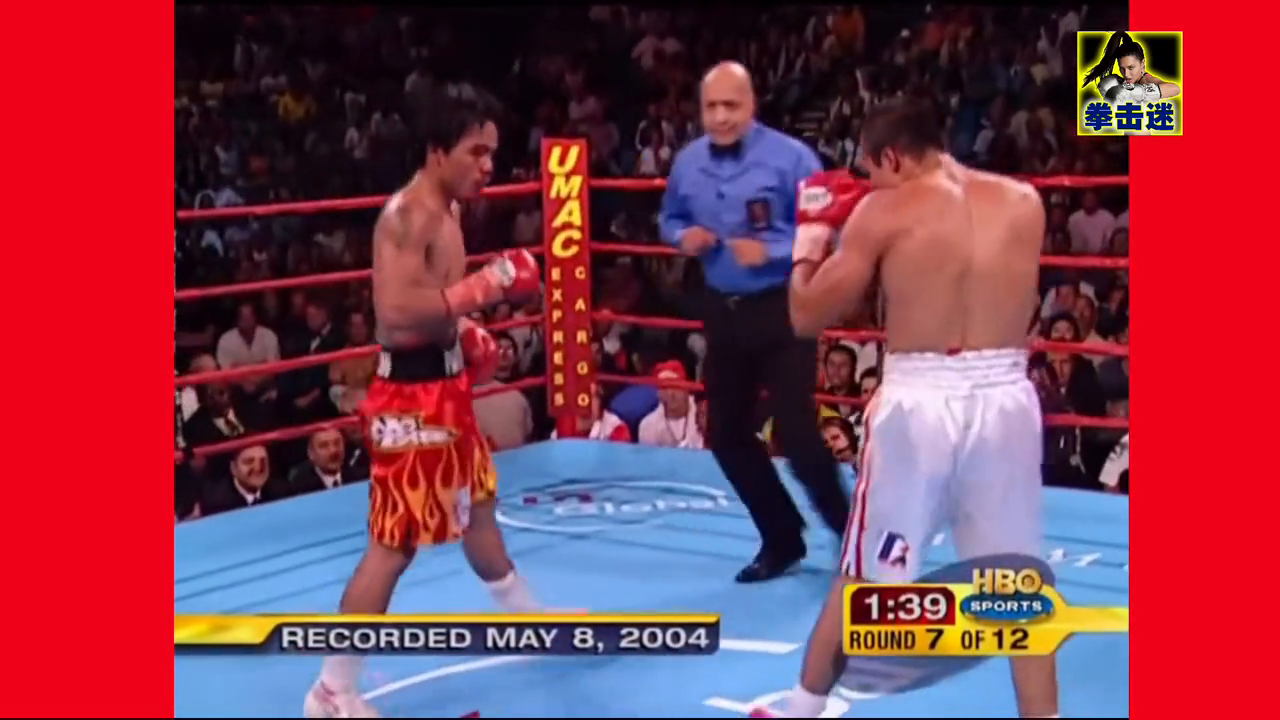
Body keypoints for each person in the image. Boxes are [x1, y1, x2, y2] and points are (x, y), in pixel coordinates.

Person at [766, 95, 1058, 718]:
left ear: (893, 158)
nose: (868, 183)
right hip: (1007, 397)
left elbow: (805, 314)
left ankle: (802, 708)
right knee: (1018, 581)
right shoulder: (1025, 202)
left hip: (922, 401)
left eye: (871, 169)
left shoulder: (883, 211)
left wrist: (811, 238)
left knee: (864, 572)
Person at [304, 87, 546, 719]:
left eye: (492, 153)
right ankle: (331, 689)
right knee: (394, 545)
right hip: (410, 400)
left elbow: (434, 305)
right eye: (477, 152)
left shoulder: (449, 210)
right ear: (439, 152)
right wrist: (484, 288)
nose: (489, 166)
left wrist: (464, 332)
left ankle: (527, 619)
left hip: (445, 389)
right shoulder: (408, 216)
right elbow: (394, 313)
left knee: (479, 505)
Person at [658, 61, 850, 583]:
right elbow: (669, 218)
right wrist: (682, 238)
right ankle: (782, 537)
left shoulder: (793, 158)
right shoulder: (688, 163)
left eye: (731, 105)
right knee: (725, 434)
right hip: (723, 309)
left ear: (752, 105)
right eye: (711, 107)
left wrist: (770, 251)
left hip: (783, 307)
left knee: (798, 432)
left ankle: (850, 533)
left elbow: (826, 231)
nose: (721, 117)